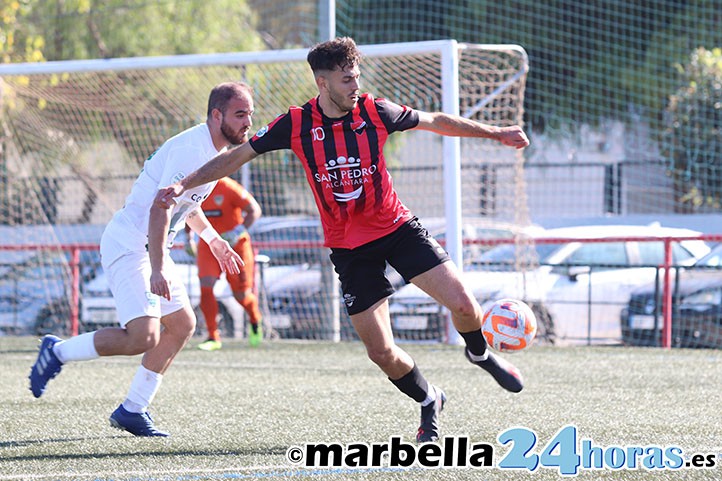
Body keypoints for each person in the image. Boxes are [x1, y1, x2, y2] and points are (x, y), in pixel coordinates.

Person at [155, 37, 530, 443]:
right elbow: (237, 156)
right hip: (350, 251)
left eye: (357, 77)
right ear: (322, 82)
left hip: (397, 230)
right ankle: (429, 399)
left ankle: (478, 352)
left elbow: (436, 120)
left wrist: (496, 133)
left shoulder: (376, 110)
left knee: (464, 304)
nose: (356, 85)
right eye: (347, 79)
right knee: (381, 353)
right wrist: (184, 184)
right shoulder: (295, 124)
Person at [28, 81, 253, 437]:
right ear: (216, 115)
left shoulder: (213, 151)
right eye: (240, 114)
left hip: (150, 248)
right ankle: (57, 352)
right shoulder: (191, 150)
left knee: (182, 325)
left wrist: (214, 241)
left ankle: (132, 409)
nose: (247, 122)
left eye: (250, 115)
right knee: (143, 337)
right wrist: (160, 268)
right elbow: (161, 206)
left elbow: (186, 205)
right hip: (129, 246)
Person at [186, 176, 263, 351]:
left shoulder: (228, 187)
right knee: (206, 285)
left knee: (241, 296)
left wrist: (238, 231)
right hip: (208, 245)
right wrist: (188, 237)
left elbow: (254, 210)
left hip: (236, 247)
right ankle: (213, 336)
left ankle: (254, 318)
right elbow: (189, 209)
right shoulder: (196, 185)